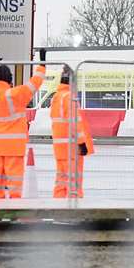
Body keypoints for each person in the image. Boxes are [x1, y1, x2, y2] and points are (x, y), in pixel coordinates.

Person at [0, 53, 46, 200]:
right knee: (15, 181)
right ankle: (14, 205)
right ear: (10, 79)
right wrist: (42, 65)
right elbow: (35, 83)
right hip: (14, 146)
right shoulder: (17, 95)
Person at [49, 66, 93, 198]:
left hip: (60, 147)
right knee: (74, 182)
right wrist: (82, 143)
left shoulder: (56, 97)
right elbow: (75, 123)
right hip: (72, 148)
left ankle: (59, 206)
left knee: (61, 181)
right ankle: (74, 207)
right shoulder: (69, 98)